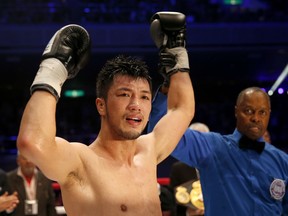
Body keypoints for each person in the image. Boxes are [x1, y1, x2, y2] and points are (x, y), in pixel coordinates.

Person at [17, 11, 195, 216]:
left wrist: (178, 56)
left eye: (144, 97)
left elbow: (182, 110)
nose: (136, 105)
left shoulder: (149, 151)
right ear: (101, 106)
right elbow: (32, 143)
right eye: (124, 94)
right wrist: (53, 69)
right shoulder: (81, 162)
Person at [148, 86, 288, 215]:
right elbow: (162, 134)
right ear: (236, 112)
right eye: (248, 111)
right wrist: (167, 91)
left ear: (269, 114)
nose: (256, 118)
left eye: (262, 112)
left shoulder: (283, 162)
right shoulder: (212, 147)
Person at [169, 122, 209, 216]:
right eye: (195, 141)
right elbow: (172, 203)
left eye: (203, 140)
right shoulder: (178, 169)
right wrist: (188, 213)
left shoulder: (219, 167)